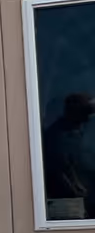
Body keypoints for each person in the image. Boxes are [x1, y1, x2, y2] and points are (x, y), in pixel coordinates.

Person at [41, 91, 95, 219]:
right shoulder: (58, 137)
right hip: (69, 204)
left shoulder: (77, 131)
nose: (88, 118)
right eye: (86, 112)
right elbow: (61, 170)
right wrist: (76, 190)